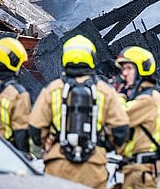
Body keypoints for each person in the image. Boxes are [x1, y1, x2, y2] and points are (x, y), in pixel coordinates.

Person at [29, 35, 130, 189]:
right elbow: (122, 132)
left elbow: (35, 131)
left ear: (64, 58)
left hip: (57, 166)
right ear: (92, 58)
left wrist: (48, 146)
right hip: (93, 168)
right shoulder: (105, 91)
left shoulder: (52, 89)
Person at [114, 46, 160, 189]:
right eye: (123, 69)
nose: (124, 74)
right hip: (135, 169)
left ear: (142, 68)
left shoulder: (148, 99)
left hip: (142, 171)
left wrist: (120, 94)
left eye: (129, 68)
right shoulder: (142, 97)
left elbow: (118, 117)